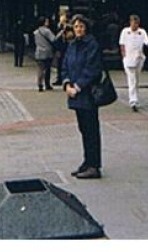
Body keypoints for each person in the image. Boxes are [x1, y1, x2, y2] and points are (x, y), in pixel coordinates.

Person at [62, 14, 104, 179]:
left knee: (91, 129)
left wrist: (77, 86)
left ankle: (94, 165)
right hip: (75, 93)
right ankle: (87, 161)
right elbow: (65, 64)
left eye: (81, 26)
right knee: (83, 129)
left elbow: (92, 69)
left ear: (86, 27)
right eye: (75, 26)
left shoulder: (91, 44)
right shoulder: (72, 45)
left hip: (87, 94)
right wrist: (66, 84)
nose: (78, 29)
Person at [119, 13, 148, 111]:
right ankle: (133, 100)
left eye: (137, 23)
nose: (135, 25)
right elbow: (122, 44)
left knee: (136, 78)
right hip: (129, 58)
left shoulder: (142, 32)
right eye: (134, 23)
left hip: (139, 58)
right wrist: (124, 56)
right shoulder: (125, 32)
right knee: (132, 79)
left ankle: (135, 98)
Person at [33, 16, 56, 91]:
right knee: (47, 69)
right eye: (46, 21)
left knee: (40, 69)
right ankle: (47, 84)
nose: (48, 22)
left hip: (38, 52)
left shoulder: (36, 32)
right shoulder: (47, 31)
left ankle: (39, 84)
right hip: (47, 52)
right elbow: (53, 39)